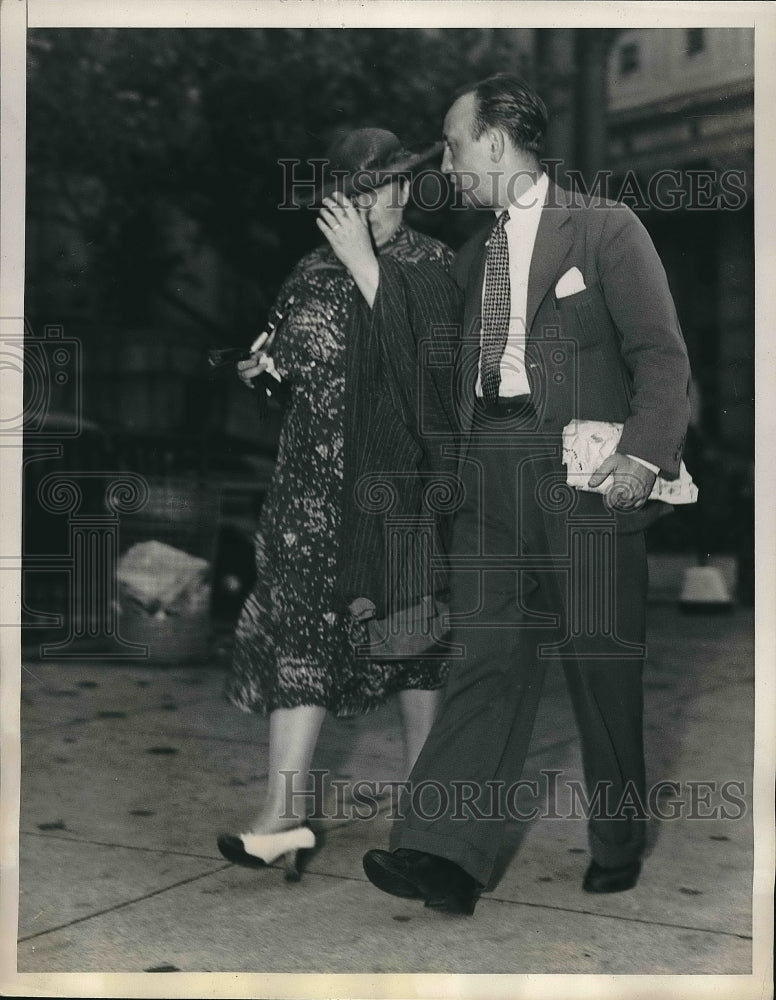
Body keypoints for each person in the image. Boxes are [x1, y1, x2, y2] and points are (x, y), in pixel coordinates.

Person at [362, 74, 691, 915]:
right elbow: (419, 345)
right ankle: (443, 854)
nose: (447, 160)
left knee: (599, 662)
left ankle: (618, 837)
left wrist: (645, 458)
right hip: (490, 473)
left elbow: (662, 356)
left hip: (582, 472)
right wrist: (386, 243)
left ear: (497, 142)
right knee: (486, 661)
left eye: (453, 141)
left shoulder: (606, 227)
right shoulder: (473, 256)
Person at [217, 129, 462, 879]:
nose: (371, 205)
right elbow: (283, 371)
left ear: (407, 190)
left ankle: (425, 816)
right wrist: (260, 370)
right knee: (302, 643)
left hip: (396, 495)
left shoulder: (434, 266)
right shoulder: (310, 271)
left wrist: (363, 265)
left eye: (383, 188)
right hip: (308, 495)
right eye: (355, 192)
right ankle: (281, 817)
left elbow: (431, 374)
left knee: (413, 649)